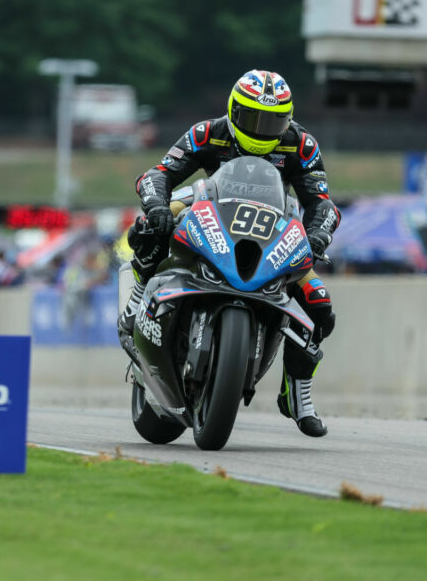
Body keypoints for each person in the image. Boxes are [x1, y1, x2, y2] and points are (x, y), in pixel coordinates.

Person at [118, 70, 339, 438]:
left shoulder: (301, 145)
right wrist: (157, 205)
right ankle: (136, 300)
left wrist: (317, 237)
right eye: (254, 119)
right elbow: (157, 173)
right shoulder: (208, 133)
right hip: (208, 208)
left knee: (320, 306)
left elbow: (323, 204)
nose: (264, 129)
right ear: (234, 112)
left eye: (275, 120)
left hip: (273, 229)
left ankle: (297, 394)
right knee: (149, 227)